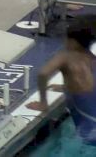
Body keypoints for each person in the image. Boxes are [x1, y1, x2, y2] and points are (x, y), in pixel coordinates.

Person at [26, 15, 96, 145]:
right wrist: (66, 87)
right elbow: (88, 89)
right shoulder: (92, 59)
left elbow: (43, 73)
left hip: (90, 134)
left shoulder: (65, 56)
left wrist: (43, 103)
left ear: (73, 42)